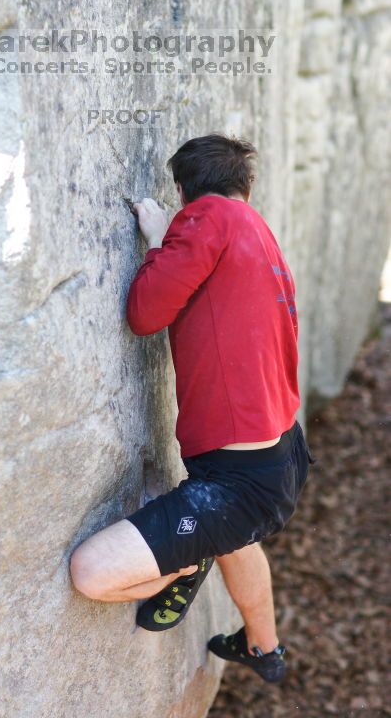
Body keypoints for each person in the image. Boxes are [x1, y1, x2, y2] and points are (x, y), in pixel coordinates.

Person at [69, 133, 316, 684]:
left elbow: (145, 313)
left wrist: (161, 241)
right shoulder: (259, 234)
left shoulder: (205, 217)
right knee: (236, 530)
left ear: (184, 191)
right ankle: (263, 647)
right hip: (278, 457)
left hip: (231, 483)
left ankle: (184, 559)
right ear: (245, 187)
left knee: (90, 573)